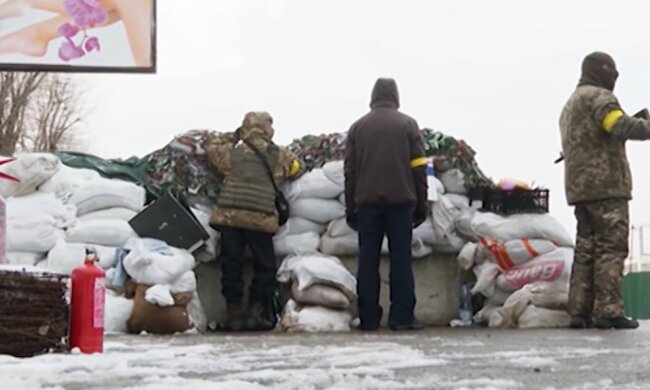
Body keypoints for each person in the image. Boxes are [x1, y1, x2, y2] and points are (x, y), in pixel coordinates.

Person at [560, 51, 650, 330]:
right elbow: (617, 125)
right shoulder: (599, 97)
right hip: (607, 186)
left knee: (586, 250)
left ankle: (579, 312)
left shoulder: (570, 104)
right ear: (602, 72)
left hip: (580, 190)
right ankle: (608, 311)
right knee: (611, 248)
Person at [344, 78, 428, 331]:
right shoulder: (407, 125)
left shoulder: (358, 128)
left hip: (367, 204)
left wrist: (351, 208)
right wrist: (421, 205)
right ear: (395, 96)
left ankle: (368, 318)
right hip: (401, 204)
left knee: (367, 261)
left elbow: (350, 172)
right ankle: (401, 317)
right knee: (401, 260)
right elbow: (419, 169)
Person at [207, 111, 302, 331]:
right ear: (270, 130)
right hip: (260, 218)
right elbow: (297, 168)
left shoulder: (231, 153)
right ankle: (255, 310)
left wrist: (234, 135)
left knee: (231, 264)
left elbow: (211, 149)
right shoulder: (280, 155)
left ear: (244, 128)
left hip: (230, 217)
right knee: (265, 266)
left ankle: (234, 313)